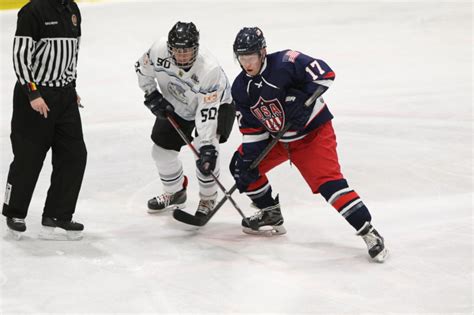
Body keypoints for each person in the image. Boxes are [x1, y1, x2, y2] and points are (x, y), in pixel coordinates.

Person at [229, 27, 388, 262]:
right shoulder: (241, 88)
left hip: (313, 136)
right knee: (241, 166)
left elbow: (325, 73)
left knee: (329, 185)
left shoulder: (286, 61)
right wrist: (249, 165)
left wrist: (305, 97)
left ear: (263, 52)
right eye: (241, 58)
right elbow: (252, 130)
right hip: (278, 140)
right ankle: (270, 213)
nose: (246, 63)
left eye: (250, 57)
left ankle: (369, 232)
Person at [3, 0, 87, 240]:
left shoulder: (72, 10)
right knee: (28, 157)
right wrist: (33, 93)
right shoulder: (32, 11)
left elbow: (73, 54)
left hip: (65, 96)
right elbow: (20, 56)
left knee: (74, 155)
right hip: (36, 96)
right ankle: (15, 212)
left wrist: (72, 87)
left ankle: (58, 214)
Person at [135, 21, 235, 217]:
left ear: (196, 48)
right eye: (177, 51)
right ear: (170, 48)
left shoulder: (209, 70)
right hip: (179, 102)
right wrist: (151, 94)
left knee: (206, 152)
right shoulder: (158, 50)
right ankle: (175, 192)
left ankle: (208, 198)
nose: (182, 56)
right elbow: (142, 69)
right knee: (161, 151)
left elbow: (207, 110)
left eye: (187, 51)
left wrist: (206, 145)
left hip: (217, 105)